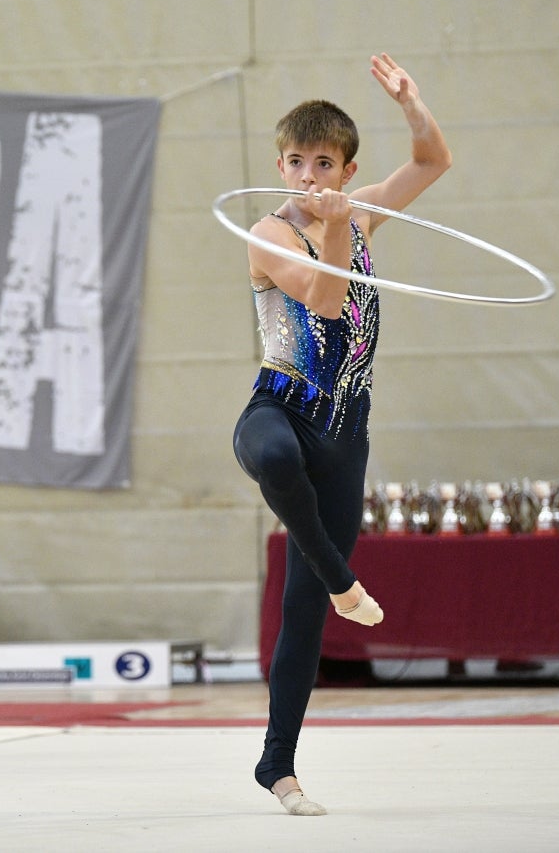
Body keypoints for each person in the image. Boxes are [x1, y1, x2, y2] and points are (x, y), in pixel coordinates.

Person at [232, 54, 451, 815]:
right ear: (279, 167)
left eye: (324, 164)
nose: (307, 176)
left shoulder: (352, 218)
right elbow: (324, 307)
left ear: (347, 169)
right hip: (279, 410)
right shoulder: (268, 231)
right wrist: (327, 229)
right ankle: (341, 579)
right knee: (273, 456)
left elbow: (432, 161)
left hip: (345, 438)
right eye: (296, 163)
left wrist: (413, 104)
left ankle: (278, 765)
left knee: (301, 616)